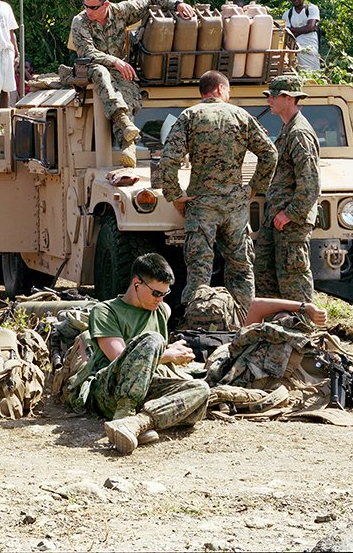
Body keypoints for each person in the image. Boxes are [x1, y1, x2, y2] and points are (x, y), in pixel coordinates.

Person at [156, 69, 276, 315]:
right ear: (221, 89)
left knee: (199, 269)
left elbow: (168, 160)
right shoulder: (241, 116)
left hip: (201, 206)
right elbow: (270, 153)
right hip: (235, 207)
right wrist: (254, 188)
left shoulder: (190, 116)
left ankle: (198, 323)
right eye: (229, 90)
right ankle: (244, 322)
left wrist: (176, 195)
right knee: (241, 267)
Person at [75, 251, 209, 454]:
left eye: (165, 294)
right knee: (153, 339)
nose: (160, 299)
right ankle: (123, 414)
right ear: (137, 283)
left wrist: (172, 353)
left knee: (201, 389)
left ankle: (139, 423)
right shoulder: (105, 311)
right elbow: (118, 358)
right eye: (156, 293)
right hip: (109, 387)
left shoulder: (162, 310)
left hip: (145, 386)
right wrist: (169, 355)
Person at [69, 0, 199, 151]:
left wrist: (177, 4)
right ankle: (122, 121)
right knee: (101, 72)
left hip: (118, 68)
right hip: (90, 66)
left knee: (128, 94)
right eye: (85, 6)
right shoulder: (80, 21)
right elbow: (87, 52)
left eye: (93, 7)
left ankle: (127, 146)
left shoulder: (121, 11)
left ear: (106, 4)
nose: (88, 11)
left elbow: (153, 1)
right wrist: (115, 61)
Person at [256, 74, 321, 304]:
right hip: (278, 216)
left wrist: (290, 213)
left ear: (289, 98)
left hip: (291, 220)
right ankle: (277, 327)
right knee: (265, 272)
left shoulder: (299, 133)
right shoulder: (288, 129)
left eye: (273, 96)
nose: (269, 101)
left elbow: (310, 182)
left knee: (294, 277)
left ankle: (303, 330)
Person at [282, 0, 322, 73]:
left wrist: (293, 31)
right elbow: (287, 33)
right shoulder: (287, 14)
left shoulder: (311, 9)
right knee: (297, 70)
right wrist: (306, 29)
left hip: (310, 46)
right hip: (295, 48)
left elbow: (311, 27)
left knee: (313, 71)